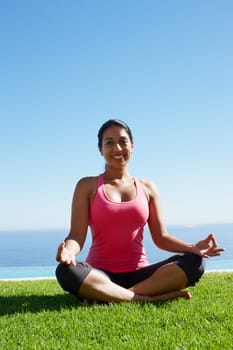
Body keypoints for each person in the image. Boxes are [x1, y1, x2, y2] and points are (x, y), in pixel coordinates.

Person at [56, 119, 224, 304]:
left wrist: (192, 247)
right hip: (99, 274)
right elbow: (76, 236)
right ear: (100, 150)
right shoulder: (87, 186)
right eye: (109, 143)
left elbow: (161, 237)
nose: (117, 148)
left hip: (141, 275)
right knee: (66, 271)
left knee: (195, 262)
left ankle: (111, 296)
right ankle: (143, 298)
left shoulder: (148, 187)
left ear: (132, 146)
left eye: (123, 141)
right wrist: (69, 252)